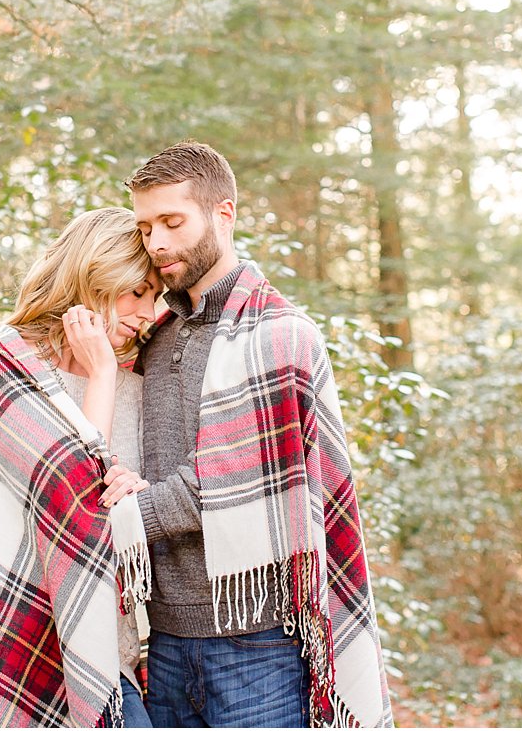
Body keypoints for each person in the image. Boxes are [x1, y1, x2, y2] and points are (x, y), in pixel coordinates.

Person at [113, 142, 393, 728]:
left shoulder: (279, 335)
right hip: (162, 638)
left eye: (172, 221)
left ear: (224, 214)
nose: (156, 242)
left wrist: (110, 518)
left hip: (257, 645)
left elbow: (223, 478)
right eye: (145, 227)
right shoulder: (154, 339)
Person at [0, 207, 162, 728]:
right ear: (94, 274)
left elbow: (121, 508)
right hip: (17, 634)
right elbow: (77, 491)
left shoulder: (141, 379)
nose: (148, 312)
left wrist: (135, 490)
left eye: (155, 297)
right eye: (137, 292)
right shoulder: (1, 365)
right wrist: (101, 373)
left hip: (116, 641)